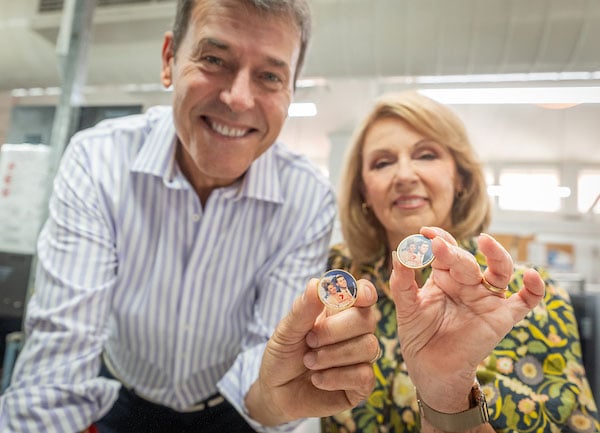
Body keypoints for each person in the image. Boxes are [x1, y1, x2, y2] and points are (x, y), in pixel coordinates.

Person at [0, 1, 380, 432]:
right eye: (214, 60)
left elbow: (266, 363)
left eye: (270, 76)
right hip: (120, 400)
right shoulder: (98, 161)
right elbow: (59, 357)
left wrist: (278, 401)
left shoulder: (306, 197)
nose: (238, 98)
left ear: (291, 89)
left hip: (233, 411)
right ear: (169, 60)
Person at [321, 90, 600, 433]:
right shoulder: (336, 281)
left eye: (426, 155)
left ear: (462, 179)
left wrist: (451, 401)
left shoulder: (529, 295)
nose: (404, 175)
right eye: (382, 162)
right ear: (363, 190)